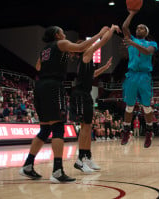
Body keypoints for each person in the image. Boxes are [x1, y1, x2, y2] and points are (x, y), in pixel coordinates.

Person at [19, 25, 111, 183]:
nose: (64, 34)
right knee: (57, 128)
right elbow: (82, 46)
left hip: (40, 87)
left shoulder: (44, 50)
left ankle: (27, 165)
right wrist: (100, 34)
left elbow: (38, 67)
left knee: (45, 129)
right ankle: (57, 170)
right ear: (57, 35)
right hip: (53, 87)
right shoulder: (60, 44)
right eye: (62, 32)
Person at [70, 24, 121, 174]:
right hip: (79, 95)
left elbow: (92, 75)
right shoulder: (85, 55)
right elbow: (102, 42)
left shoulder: (87, 61)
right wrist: (110, 30)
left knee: (87, 127)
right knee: (84, 129)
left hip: (85, 95)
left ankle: (87, 156)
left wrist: (105, 68)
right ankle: (80, 160)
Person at [121, 10, 158, 148]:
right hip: (131, 75)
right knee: (129, 106)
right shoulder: (131, 39)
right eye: (137, 27)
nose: (139, 28)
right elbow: (124, 27)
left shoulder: (152, 43)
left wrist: (132, 43)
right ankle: (126, 131)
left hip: (144, 76)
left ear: (146, 32)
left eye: (142, 27)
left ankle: (149, 132)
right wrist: (131, 13)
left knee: (146, 107)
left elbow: (147, 52)